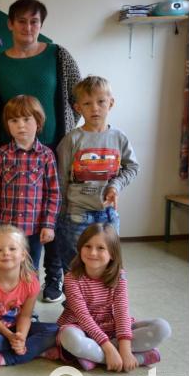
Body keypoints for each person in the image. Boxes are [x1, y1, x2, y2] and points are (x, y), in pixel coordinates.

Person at [0, 0, 81, 302]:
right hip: (11, 149)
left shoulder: (57, 55)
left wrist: (55, 130)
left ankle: (54, 277)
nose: (28, 27)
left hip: (53, 146)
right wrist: (4, 146)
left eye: (35, 21)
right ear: (10, 24)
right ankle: (17, 281)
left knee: (51, 213)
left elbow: (76, 98)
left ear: (41, 25)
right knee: (20, 222)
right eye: (22, 21)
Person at [55, 76, 140, 286]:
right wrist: (61, 213)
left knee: (108, 264)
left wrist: (115, 185)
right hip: (76, 215)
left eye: (101, 102)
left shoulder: (119, 138)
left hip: (108, 215)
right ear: (78, 108)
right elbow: (61, 179)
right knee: (75, 265)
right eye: (87, 103)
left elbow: (132, 167)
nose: (95, 108)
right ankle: (75, 308)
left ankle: (103, 307)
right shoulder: (72, 140)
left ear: (111, 102)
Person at [57, 224, 171, 371]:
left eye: (101, 248)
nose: (92, 252)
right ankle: (136, 358)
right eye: (87, 246)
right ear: (80, 248)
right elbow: (83, 317)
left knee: (163, 328)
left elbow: (121, 312)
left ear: (112, 253)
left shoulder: (119, 276)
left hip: (112, 327)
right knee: (68, 337)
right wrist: (109, 348)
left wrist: (125, 349)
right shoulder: (71, 278)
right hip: (83, 329)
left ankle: (94, 358)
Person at [0, 95, 60, 270]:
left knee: (30, 270)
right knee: (5, 267)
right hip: (6, 228)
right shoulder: (2, 155)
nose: (21, 125)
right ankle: (6, 297)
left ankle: (27, 298)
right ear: (8, 125)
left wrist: (49, 224)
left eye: (26, 119)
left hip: (34, 229)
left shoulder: (46, 155)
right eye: (14, 120)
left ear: (38, 122)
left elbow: (53, 194)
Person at [0, 225, 58, 369]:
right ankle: (33, 350)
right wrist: (11, 337)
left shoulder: (32, 283)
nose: (6, 253)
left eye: (12, 249)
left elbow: (25, 316)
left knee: (56, 330)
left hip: (17, 328)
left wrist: (21, 337)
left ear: (23, 254)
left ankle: (0, 358)